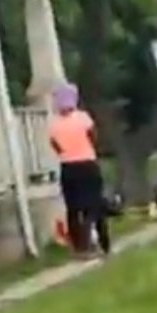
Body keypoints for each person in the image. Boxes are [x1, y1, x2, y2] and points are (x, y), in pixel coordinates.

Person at [48, 84, 110, 258]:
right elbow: (93, 136)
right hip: (87, 164)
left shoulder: (55, 124)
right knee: (94, 204)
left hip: (68, 167)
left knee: (73, 209)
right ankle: (102, 243)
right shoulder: (83, 118)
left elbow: (55, 145)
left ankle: (79, 248)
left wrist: (67, 152)